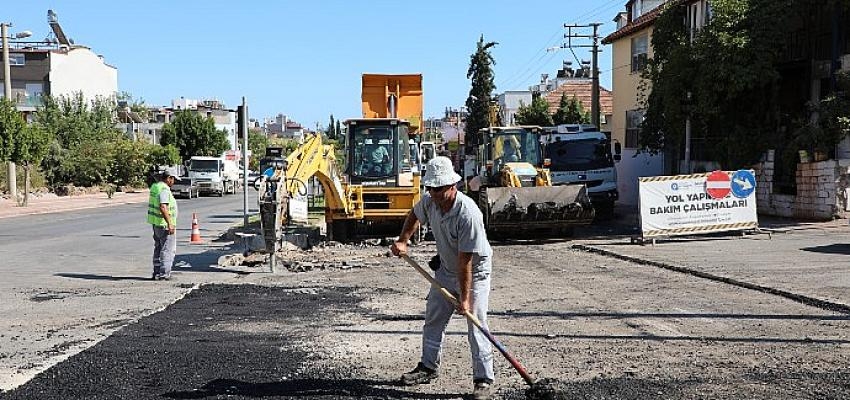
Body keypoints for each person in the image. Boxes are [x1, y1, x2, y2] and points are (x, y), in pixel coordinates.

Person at [390, 156, 495, 400]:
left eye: (438, 189)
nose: (434, 193)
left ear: (452, 186)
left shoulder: (468, 213)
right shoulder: (430, 202)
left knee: (476, 323)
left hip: (474, 272)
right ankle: (428, 367)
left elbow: (466, 261)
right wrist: (403, 240)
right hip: (447, 270)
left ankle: (483, 379)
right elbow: (413, 215)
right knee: (434, 318)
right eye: (431, 188)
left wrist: (465, 298)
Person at [147, 167, 180, 281]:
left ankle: (156, 272)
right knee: (167, 249)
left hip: (156, 224)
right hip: (164, 225)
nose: (174, 182)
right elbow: (163, 206)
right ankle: (164, 274)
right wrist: (170, 223)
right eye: (173, 179)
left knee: (158, 248)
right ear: (169, 178)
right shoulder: (164, 190)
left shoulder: (155, 187)